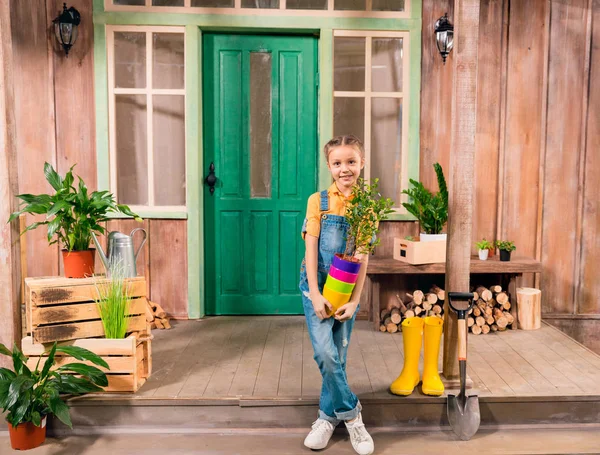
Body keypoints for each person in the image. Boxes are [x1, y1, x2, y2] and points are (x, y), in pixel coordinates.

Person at [299, 135, 374, 455]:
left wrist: (356, 300)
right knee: (326, 354)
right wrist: (315, 294)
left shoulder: (367, 206)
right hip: (316, 287)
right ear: (329, 166)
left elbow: (363, 255)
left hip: (346, 290)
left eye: (351, 162)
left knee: (338, 356)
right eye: (338, 163)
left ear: (362, 163)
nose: (345, 169)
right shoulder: (318, 201)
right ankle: (354, 417)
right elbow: (311, 248)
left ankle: (326, 419)